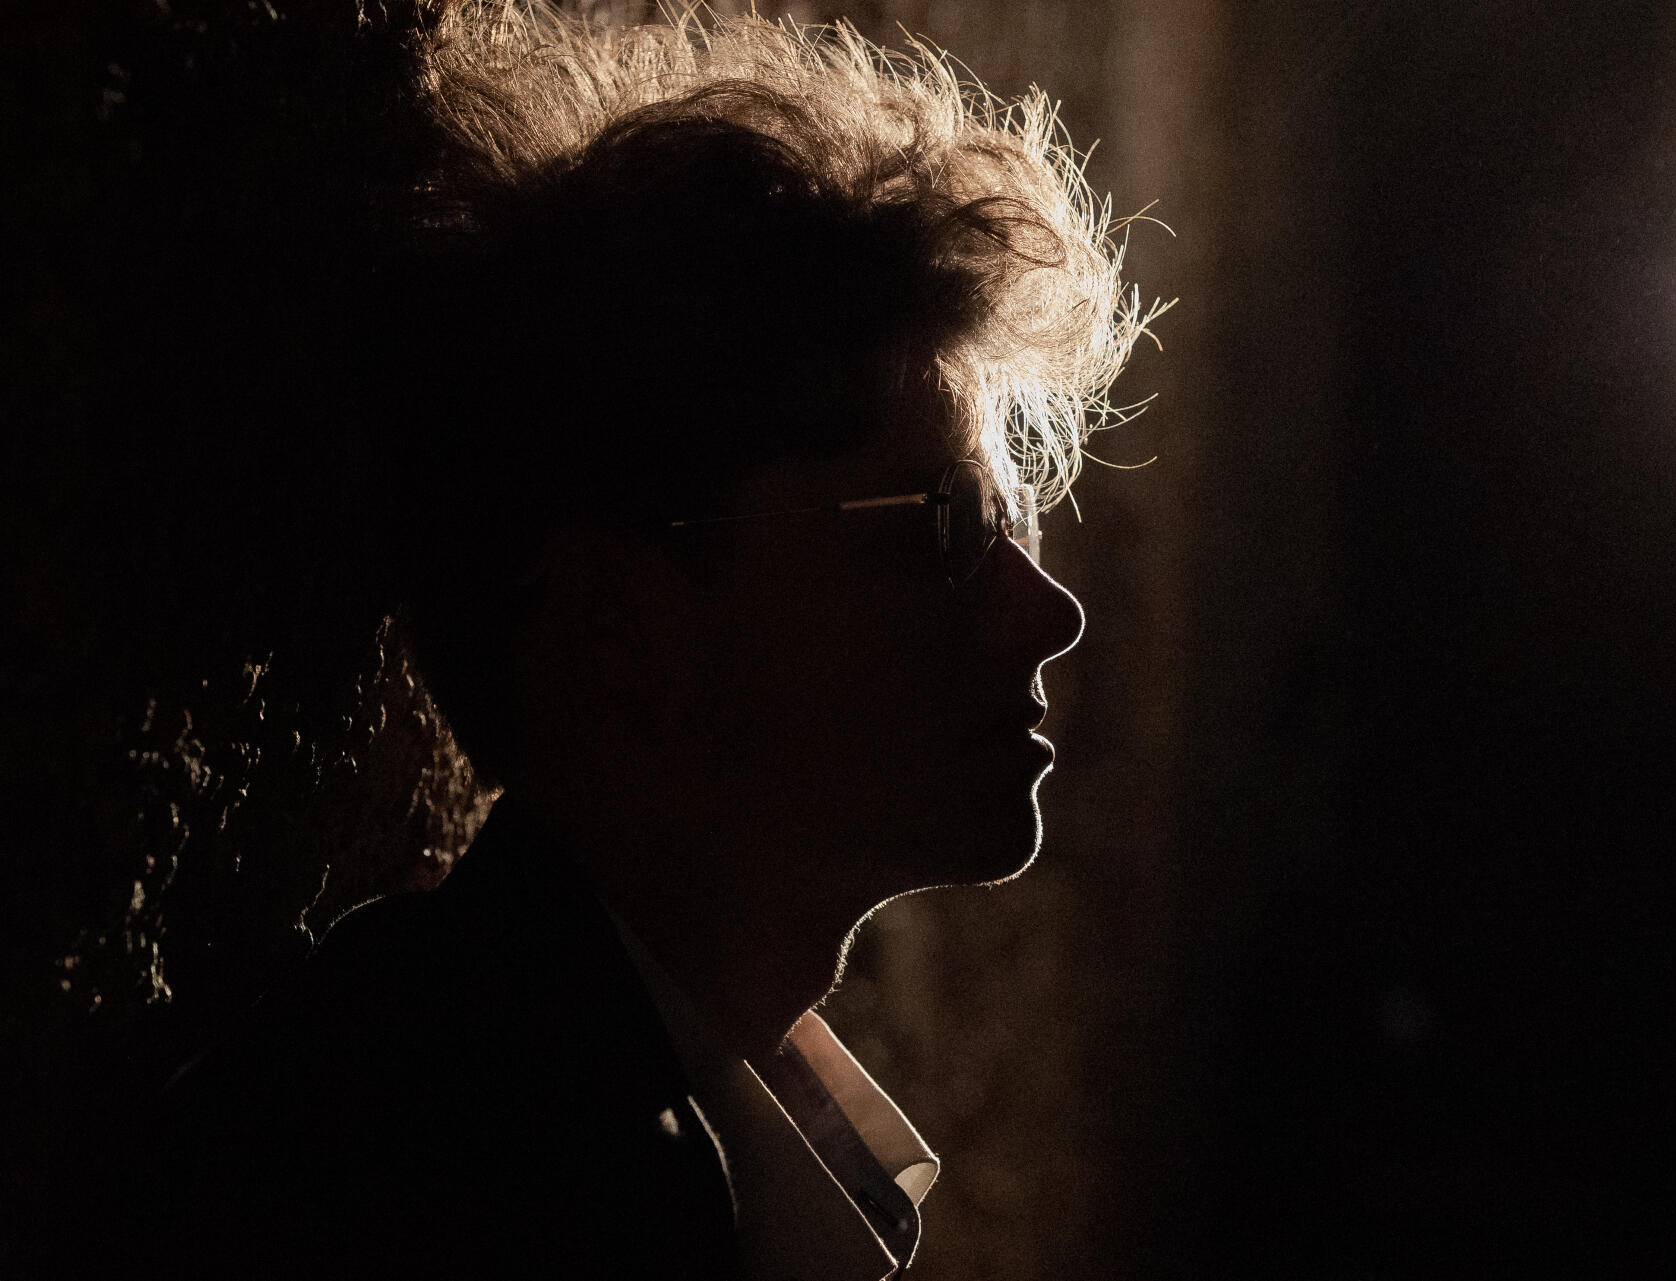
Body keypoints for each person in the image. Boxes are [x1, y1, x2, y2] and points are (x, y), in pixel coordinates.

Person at [127, 3, 1158, 1277]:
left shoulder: (634, 1125)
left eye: (1014, 525)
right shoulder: (421, 1180)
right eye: (942, 527)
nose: (1049, 613)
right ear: (619, 627)